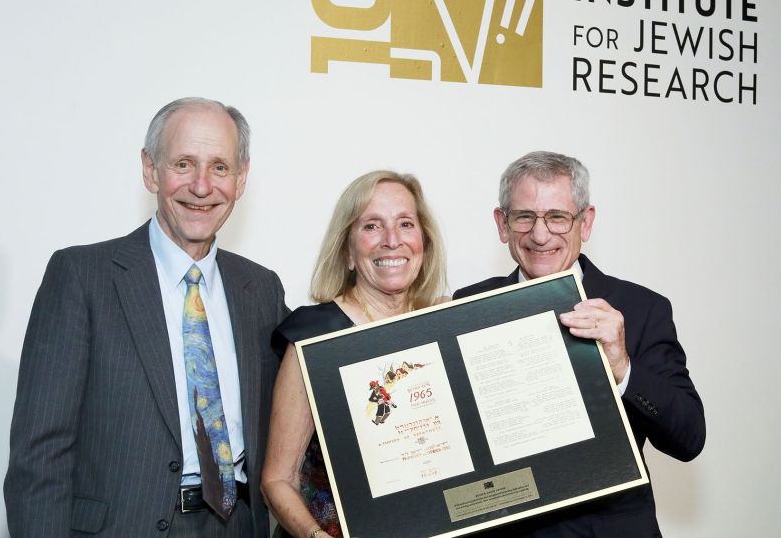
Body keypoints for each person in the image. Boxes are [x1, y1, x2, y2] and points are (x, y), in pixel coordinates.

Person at [4, 97, 288, 538]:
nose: (201, 186)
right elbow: (39, 457)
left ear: (241, 178)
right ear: (151, 170)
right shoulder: (82, 277)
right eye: (183, 164)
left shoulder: (262, 289)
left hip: (238, 527)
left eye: (219, 167)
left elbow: (309, 400)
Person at [454, 151, 705, 538]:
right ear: (502, 224)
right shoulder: (467, 307)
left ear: (585, 223)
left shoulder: (640, 309)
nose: (540, 235)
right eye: (524, 217)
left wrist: (623, 367)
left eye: (557, 217)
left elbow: (688, 438)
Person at [260, 171, 446, 538]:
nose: (392, 240)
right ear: (347, 250)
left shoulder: (444, 326)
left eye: (405, 224)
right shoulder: (313, 337)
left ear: (423, 242)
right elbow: (277, 479)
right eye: (372, 226)